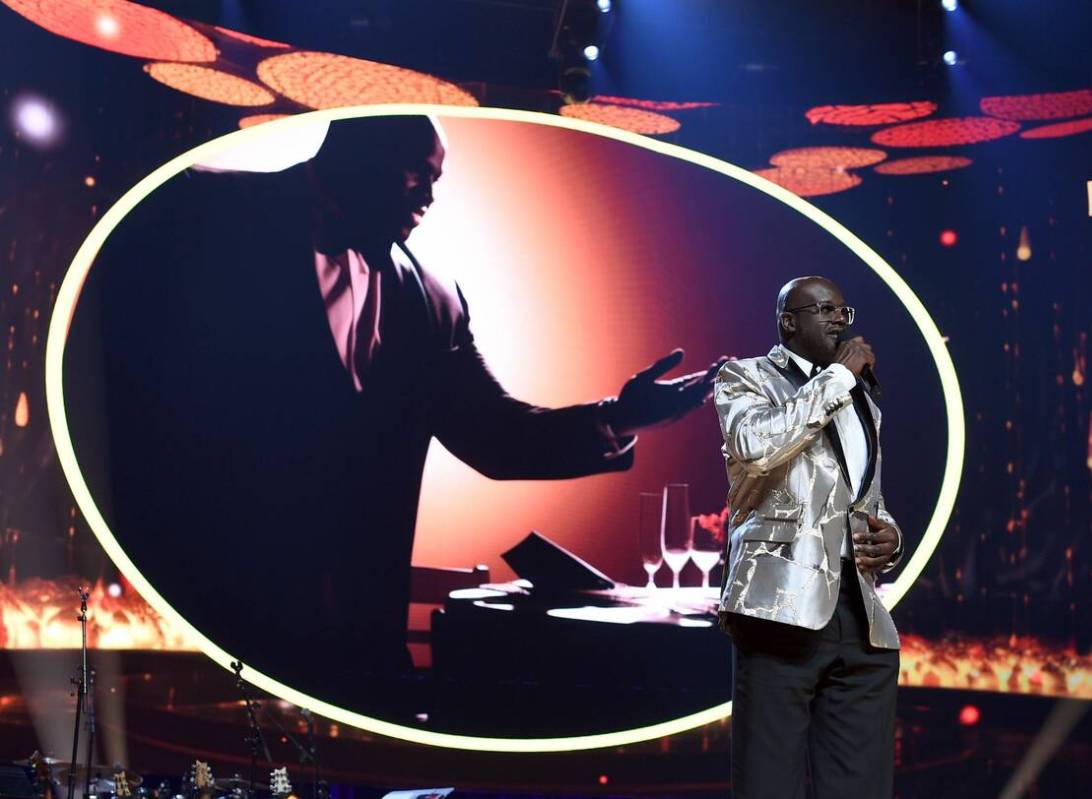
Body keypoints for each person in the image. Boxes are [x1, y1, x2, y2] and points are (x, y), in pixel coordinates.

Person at [79, 115, 724, 714]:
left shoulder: (434, 299)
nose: (430, 196)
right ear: (351, 148)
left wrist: (619, 417)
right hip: (192, 638)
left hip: (359, 656)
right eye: (417, 172)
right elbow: (116, 390)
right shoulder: (196, 210)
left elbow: (494, 435)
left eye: (438, 179)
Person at [713, 276, 903, 798]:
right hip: (779, 608)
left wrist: (890, 537)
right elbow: (757, 447)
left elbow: (865, 497)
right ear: (788, 321)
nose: (839, 321)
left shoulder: (860, 400)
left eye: (844, 311)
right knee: (769, 783)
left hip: (858, 612)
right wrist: (838, 376)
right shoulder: (745, 376)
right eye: (824, 309)